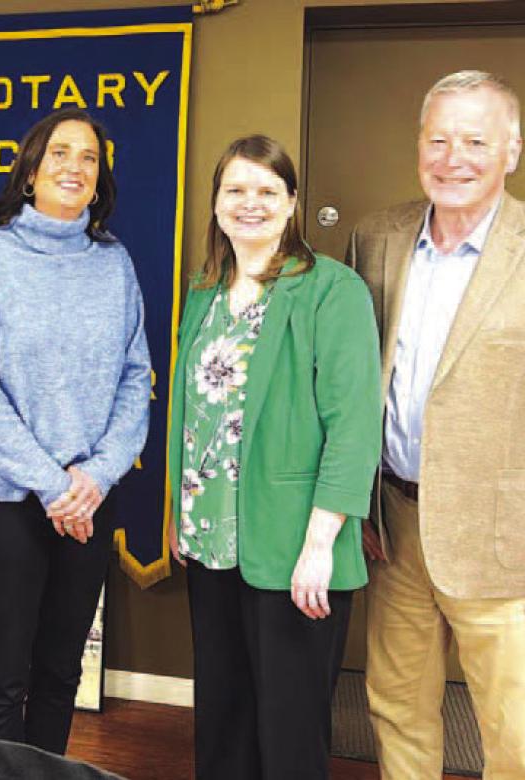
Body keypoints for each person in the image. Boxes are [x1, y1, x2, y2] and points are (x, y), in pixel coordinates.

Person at [346, 70, 525, 779]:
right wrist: (358, 504)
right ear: (418, 145)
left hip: (509, 551)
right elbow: (352, 386)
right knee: (396, 714)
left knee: (517, 743)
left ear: (512, 149)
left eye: (474, 140)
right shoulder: (378, 237)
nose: (452, 156)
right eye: (437, 139)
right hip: (395, 530)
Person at [167, 134, 382, 780]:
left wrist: (321, 544)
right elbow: (191, 415)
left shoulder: (330, 292)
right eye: (235, 190)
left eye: (267, 191)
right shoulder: (204, 292)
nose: (250, 204)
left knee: (288, 736)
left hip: (295, 548)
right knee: (223, 723)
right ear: (217, 203)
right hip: (211, 541)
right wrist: (178, 511)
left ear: (291, 203)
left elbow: (353, 426)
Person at [0, 107, 151, 755]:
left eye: (88, 157)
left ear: (99, 181)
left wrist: (92, 479)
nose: (74, 166)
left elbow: (134, 377)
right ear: (31, 171)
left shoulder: (114, 264)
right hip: (9, 498)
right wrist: (51, 484)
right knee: (5, 675)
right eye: (60, 153)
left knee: (62, 669)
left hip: (91, 499)